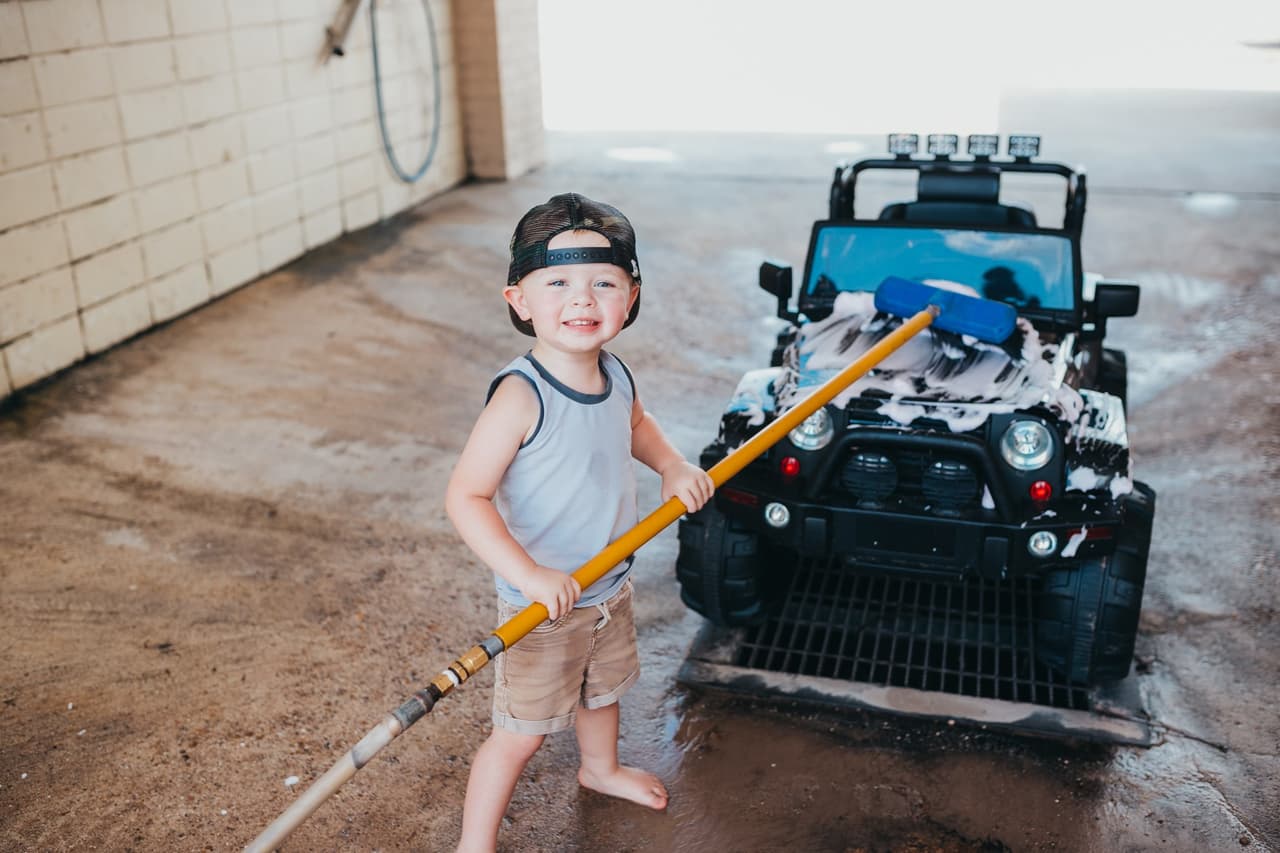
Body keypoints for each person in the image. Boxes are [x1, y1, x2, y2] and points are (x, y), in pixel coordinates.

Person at [445, 193, 714, 852]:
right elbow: (466, 497)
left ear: (632, 295)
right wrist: (529, 574)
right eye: (558, 282)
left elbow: (637, 425)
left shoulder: (615, 373)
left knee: (603, 689)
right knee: (521, 732)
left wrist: (672, 466)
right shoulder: (520, 395)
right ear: (519, 300)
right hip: (540, 603)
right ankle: (473, 844)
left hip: (606, 585)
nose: (583, 299)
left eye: (604, 282)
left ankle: (600, 769)